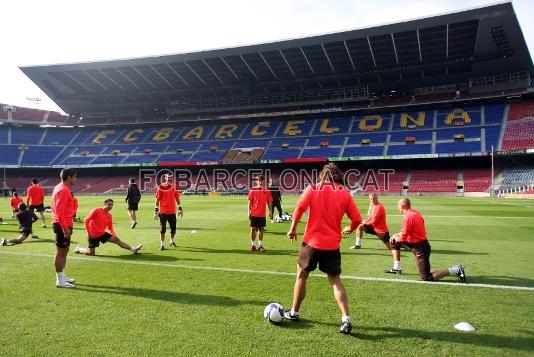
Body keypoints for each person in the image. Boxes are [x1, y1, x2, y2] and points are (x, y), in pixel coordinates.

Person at [286, 163, 362, 334]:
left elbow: (299, 208)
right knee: (335, 282)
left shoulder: (313, 188)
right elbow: (357, 219)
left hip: (312, 242)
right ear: (337, 176)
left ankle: (294, 312)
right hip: (332, 244)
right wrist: (350, 228)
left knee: (301, 277)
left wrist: (293, 228)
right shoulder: (344, 193)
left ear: (322, 175)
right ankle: (345, 319)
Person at [389, 198, 466, 283]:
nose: (397, 208)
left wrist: (397, 237)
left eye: (398, 205)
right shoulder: (414, 212)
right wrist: (397, 235)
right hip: (414, 244)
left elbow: (402, 238)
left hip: (421, 248)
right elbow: (406, 231)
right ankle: (397, 268)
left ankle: (457, 269)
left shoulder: (408, 217)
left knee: (426, 278)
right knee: (393, 241)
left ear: (402, 206)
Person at [350, 193, 402, 274]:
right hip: (374, 228)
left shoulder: (379, 207)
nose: (372, 200)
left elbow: (374, 221)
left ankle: (403, 246)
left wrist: (365, 223)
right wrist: (365, 221)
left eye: (374, 198)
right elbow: (371, 217)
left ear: (377, 198)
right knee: (360, 227)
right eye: (371, 199)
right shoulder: (373, 206)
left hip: (381, 230)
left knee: (391, 246)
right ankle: (358, 245)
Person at [74, 199, 142, 256]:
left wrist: (114, 235)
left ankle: (134, 249)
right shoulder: (96, 210)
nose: (111, 206)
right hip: (93, 235)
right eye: (109, 204)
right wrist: (88, 232)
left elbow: (110, 227)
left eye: (112, 205)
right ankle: (79, 249)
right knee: (91, 253)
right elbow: (86, 220)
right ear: (104, 204)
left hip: (102, 234)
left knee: (117, 240)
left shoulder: (109, 215)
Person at [51, 168, 78, 288]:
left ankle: (62, 276)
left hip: (65, 223)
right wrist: (64, 227)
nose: (76, 179)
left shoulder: (62, 188)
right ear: (69, 178)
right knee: (60, 252)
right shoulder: (63, 190)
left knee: (65, 251)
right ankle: (60, 281)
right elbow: (59, 211)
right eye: (75, 177)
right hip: (62, 224)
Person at [155, 174, 182, 250]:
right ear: (165, 178)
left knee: (173, 229)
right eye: (168, 177)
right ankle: (162, 244)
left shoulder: (174, 186)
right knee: (162, 229)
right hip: (163, 212)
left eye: (171, 177)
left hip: (172, 212)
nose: (170, 178)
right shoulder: (161, 187)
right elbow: (157, 199)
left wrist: (180, 207)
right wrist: (156, 209)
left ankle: (171, 241)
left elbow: (177, 198)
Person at [248, 175, 272, 252]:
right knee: (252, 229)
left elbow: (269, 202)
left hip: (262, 214)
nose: (260, 182)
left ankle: (260, 245)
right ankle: (253, 245)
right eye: (259, 180)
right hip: (254, 213)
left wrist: (271, 212)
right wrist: (249, 212)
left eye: (262, 180)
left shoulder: (267, 191)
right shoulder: (253, 190)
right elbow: (250, 201)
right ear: (257, 181)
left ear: (264, 181)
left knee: (261, 230)